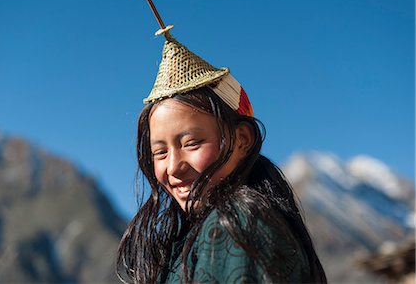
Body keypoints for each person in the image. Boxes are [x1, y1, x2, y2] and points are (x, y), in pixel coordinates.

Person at [116, 26, 326, 283]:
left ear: (242, 140)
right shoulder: (197, 233)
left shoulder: (235, 225)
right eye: (159, 152)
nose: (173, 167)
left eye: (192, 143)